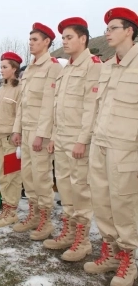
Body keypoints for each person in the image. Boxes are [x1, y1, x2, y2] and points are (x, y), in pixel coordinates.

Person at [83, 8, 138, 286]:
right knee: (102, 202)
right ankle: (112, 253)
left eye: (113, 27)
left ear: (129, 30)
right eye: (107, 28)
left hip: (127, 149)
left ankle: (130, 257)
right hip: (101, 144)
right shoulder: (106, 66)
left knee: (124, 204)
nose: (108, 32)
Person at [42, 18, 102, 262]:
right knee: (65, 187)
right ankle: (69, 232)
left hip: (79, 140)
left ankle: (83, 240)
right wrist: (54, 136)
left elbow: (91, 107)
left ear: (83, 39)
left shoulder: (94, 66)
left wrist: (82, 140)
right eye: (63, 38)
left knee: (80, 190)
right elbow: (58, 107)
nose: (64, 41)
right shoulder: (67, 68)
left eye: (69, 37)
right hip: (63, 138)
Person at [11, 23, 62, 240]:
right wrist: (17, 129)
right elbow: (22, 103)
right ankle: (33, 214)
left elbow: (50, 105)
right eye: (30, 39)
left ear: (47, 42)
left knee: (42, 177)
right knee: (28, 176)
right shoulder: (30, 69)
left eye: (35, 40)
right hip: (27, 130)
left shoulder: (53, 67)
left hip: (41, 132)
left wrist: (42, 134)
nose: (30, 43)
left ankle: (45, 220)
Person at [0, 52, 23, 228]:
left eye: (5, 67)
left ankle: (12, 211)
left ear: (14, 68)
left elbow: (20, 115)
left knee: (12, 176)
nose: (1, 70)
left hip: (11, 139)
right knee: (2, 176)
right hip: (0, 139)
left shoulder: (20, 89)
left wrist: (18, 135)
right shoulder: (0, 90)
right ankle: (6, 207)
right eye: (1, 66)